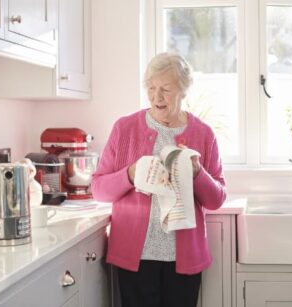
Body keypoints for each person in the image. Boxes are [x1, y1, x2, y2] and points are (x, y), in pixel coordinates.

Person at [92, 53, 227, 307]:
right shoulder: (124, 129)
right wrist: (130, 174)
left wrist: (198, 173)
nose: (157, 97)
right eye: (151, 88)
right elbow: (99, 189)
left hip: (183, 259)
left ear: (184, 91)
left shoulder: (204, 134)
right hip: (136, 256)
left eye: (166, 89)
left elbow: (217, 198)